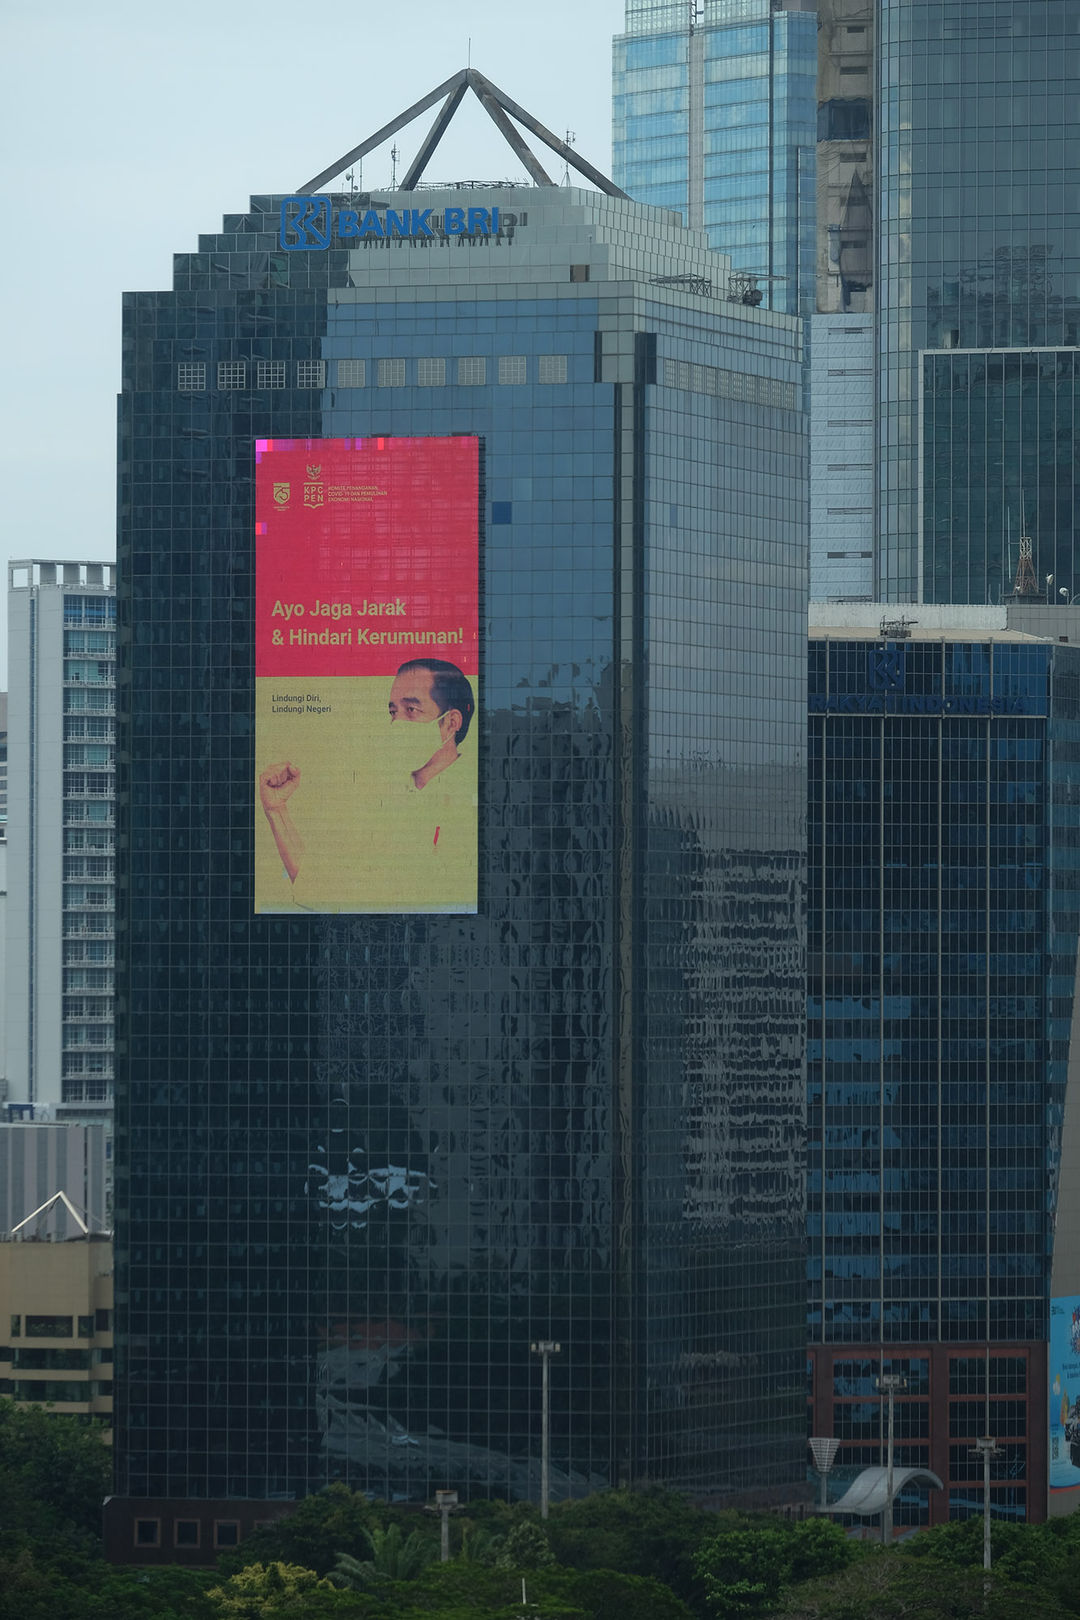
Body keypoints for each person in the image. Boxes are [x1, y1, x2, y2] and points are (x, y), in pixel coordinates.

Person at [259, 659, 475, 890]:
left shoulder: (471, 804)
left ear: (451, 723)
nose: (397, 722)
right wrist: (277, 810)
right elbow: (319, 886)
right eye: (393, 712)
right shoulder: (384, 794)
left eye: (411, 709)